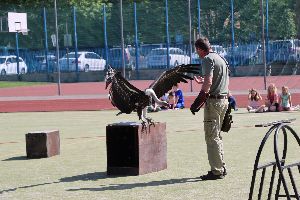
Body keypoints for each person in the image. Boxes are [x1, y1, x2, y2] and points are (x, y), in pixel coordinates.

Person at [190, 37, 229, 180]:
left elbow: (209, 82)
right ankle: (221, 166)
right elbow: (220, 80)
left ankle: (217, 171)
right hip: (224, 101)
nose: (197, 53)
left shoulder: (207, 59)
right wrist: (206, 82)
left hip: (213, 102)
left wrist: (198, 101)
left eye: (197, 50)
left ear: (200, 49)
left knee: (211, 137)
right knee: (217, 136)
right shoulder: (221, 58)